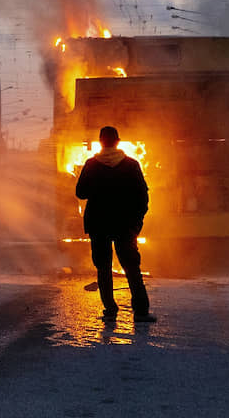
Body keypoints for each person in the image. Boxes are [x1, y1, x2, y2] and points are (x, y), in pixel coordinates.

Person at [75, 126, 156, 323]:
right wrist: (136, 222)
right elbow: (143, 197)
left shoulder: (91, 165)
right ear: (118, 142)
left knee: (103, 268)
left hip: (98, 225)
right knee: (131, 267)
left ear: (100, 142)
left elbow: (81, 193)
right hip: (125, 225)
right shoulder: (131, 165)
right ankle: (141, 312)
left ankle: (110, 311)